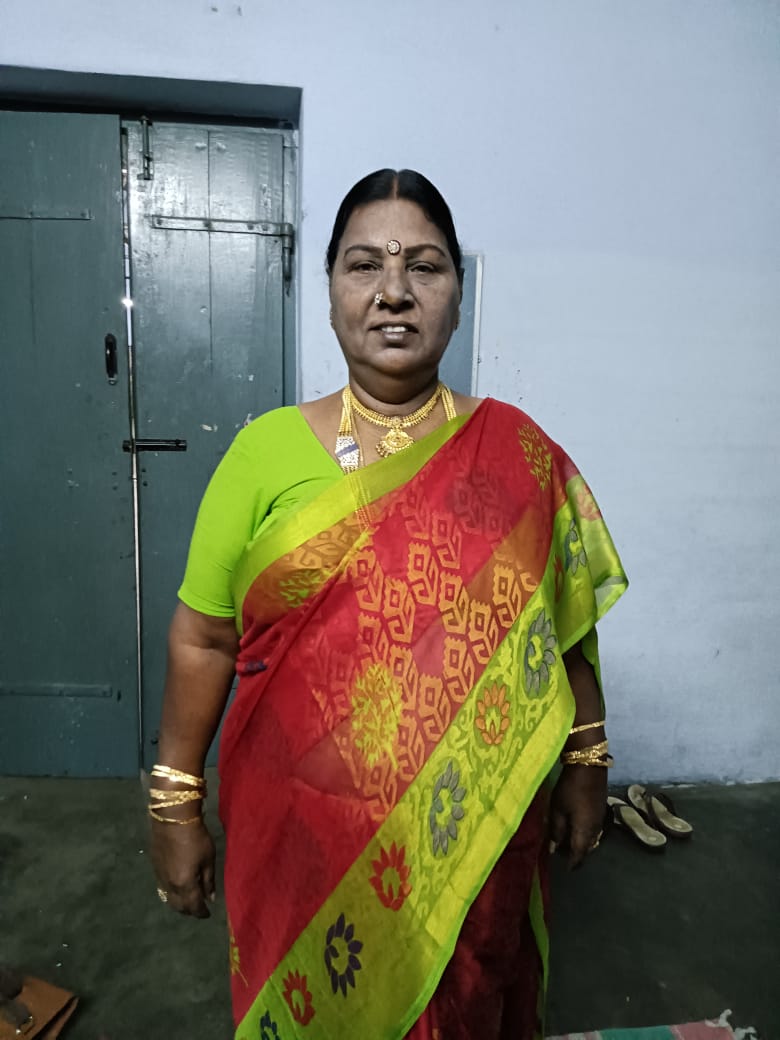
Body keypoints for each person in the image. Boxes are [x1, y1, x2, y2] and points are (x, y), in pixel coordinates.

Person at [149, 169, 628, 1040]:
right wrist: (173, 800)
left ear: (457, 291)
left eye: (427, 267)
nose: (395, 292)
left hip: (473, 838)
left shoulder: (518, 454)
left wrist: (588, 764)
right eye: (364, 265)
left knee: (472, 1005)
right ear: (328, 288)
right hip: (301, 841)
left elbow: (565, 629)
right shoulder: (262, 455)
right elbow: (204, 638)